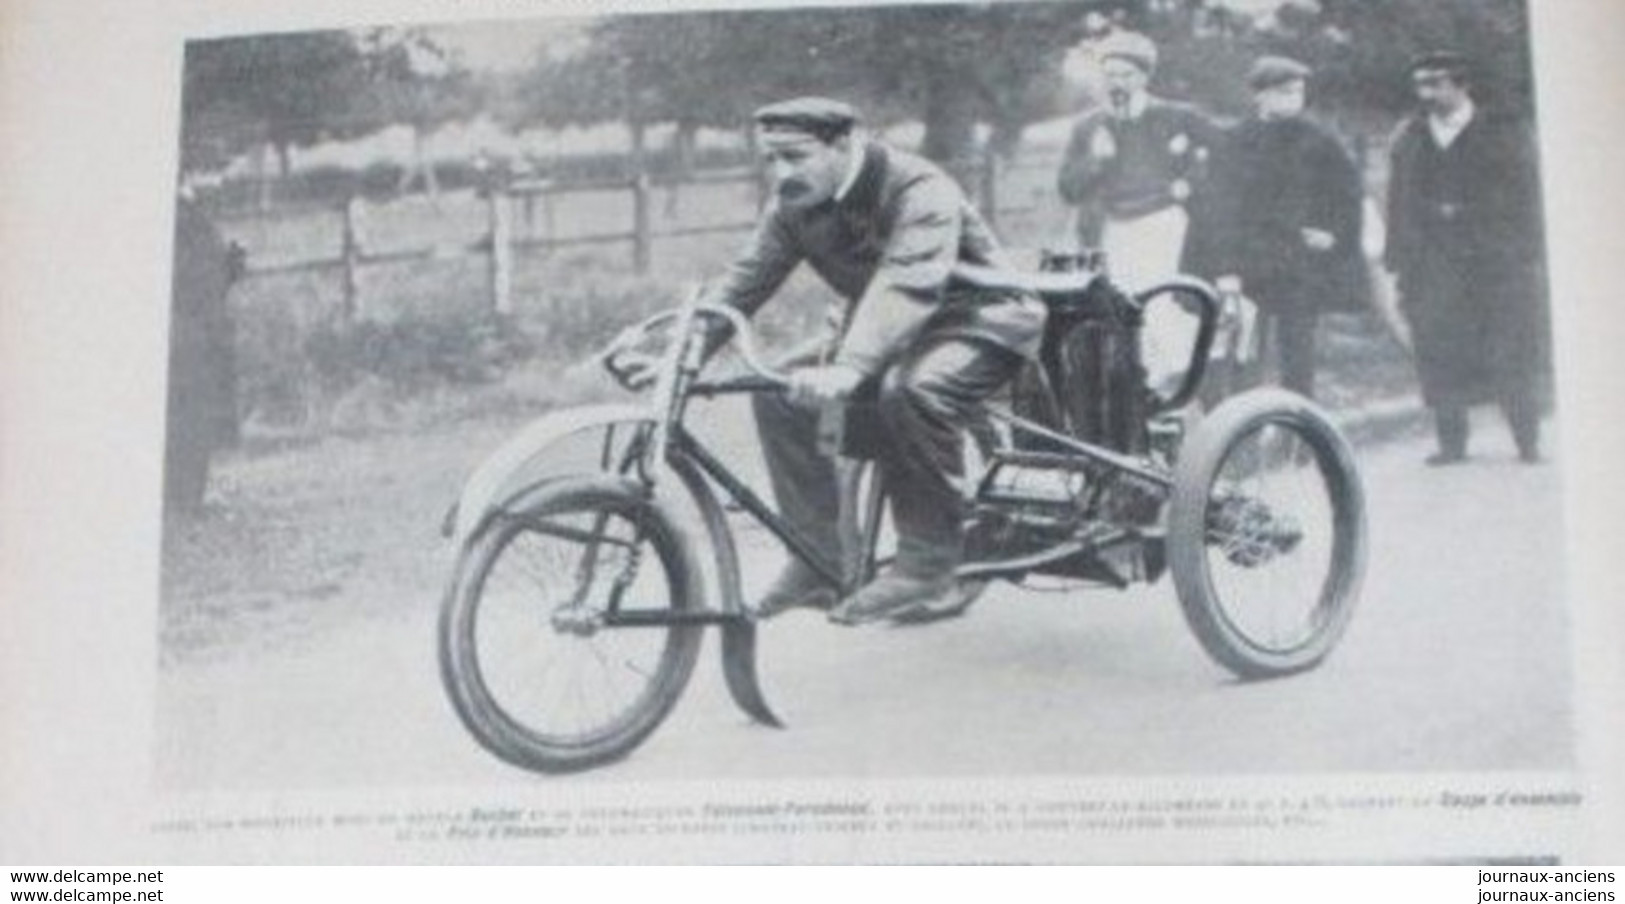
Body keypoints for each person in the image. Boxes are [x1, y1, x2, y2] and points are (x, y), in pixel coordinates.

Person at [637, 97, 1046, 624]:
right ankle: (817, 562)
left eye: (794, 156)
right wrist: (677, 355)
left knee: (913, 390)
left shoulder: (921, 189)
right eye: (772, 160)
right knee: (779, 395)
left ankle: (927, 566)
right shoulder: (796, 202)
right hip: (885, 329)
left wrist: (850, 366)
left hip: (978, 318)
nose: (781, 173)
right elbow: (742, 283)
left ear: (843, 144)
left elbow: (907, 281)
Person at [1384, 51, 1547, 465]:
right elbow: (1397, 199)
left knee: (1510, 347)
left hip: (1495, 260)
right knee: (1438, 347)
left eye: (1437, 83)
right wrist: (1400, 256)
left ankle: (1526, 439)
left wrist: (1522, 249)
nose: (1428, 93)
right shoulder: (1412, 137)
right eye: (1422, 84)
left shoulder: (1502, 132)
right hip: (1433, 261)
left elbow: (1525, 195)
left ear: (1461, 85)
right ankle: (1452, 443)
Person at [1184, 56, 1367, 400]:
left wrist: (1333, 233)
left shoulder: (1318, 140)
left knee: (1298, 353)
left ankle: (1301, 437)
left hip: (1297, 263)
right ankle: (1244, 431)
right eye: (1283, 91)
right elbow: (1217, 210)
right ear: (1260, 96)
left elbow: (1347, 194)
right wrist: (1225, 270)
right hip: (1248, 264)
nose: (1292, 98)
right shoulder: (1233, 142)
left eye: (1298, 91)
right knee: (1243, 354)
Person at [1056, 30, 1219, 391]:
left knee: (1157, 302)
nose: (1118, 84)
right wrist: (1096, 161)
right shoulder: (1089, 126)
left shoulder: (1176, 117)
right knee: (1120, 308)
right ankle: (1141, 387)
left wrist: (1189, 184)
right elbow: (1068, 188)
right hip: (1111, 228)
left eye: (1126, 75)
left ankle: (1180, 376)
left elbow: (1222, 155)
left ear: (1145, 77)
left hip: (1162, 222)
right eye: (1110, 75)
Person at [165, 178, 243, 516]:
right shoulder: (184, 219)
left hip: (203, 331)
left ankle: (187, 497)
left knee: (197, 418)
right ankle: (182, 498)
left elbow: (208, 277)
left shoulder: (193, 219)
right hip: (191, 334)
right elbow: (191, 278)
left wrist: (230, 268)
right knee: (189, 418)